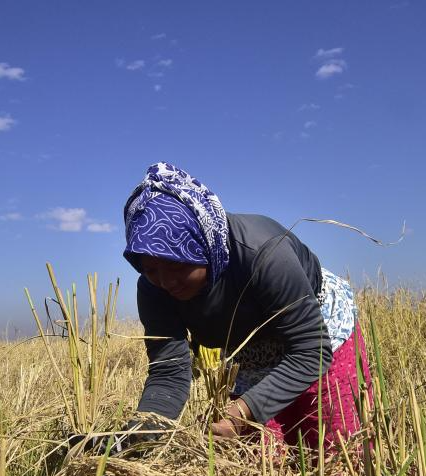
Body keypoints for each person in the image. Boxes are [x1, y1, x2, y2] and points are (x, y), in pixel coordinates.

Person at [119, 162, 372, 457]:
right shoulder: (153, 290)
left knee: (333, 451)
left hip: (316, 335)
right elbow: (169, 372)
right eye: (150, 269)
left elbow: (311, 350)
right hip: (251, 354)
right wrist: (141, 435)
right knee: (261, 463)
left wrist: (243, 411)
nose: (166, 281)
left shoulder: (264, 254)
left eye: (178, 265)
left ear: (203, 247)